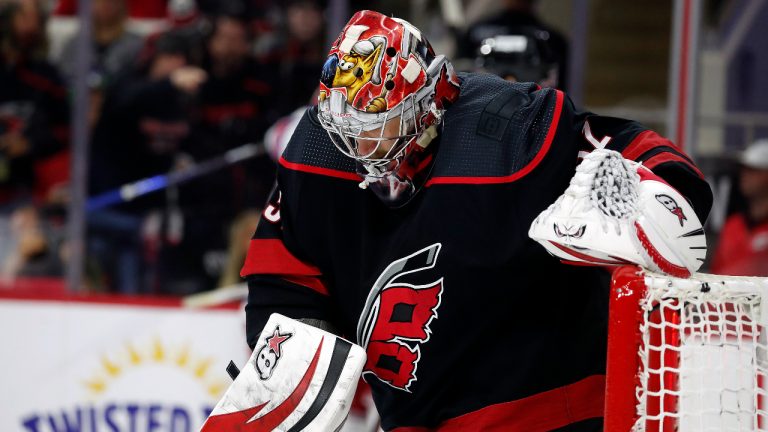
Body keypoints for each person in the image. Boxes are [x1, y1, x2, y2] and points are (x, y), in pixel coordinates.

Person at [240, 10, 712, 431]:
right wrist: (295, 366)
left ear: (426, 103)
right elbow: (281, 276)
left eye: (375, 125)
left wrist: (665, 193)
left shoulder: (509, 129)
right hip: (412, 414)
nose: (357, 144)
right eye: (346, 125)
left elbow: (638, 148)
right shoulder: (317, 154)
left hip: (546, 412)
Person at [710, 139, 768, 277]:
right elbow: (715, 276)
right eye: (744, 170)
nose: (744, 176)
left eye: (753, 171)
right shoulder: (733, 225)